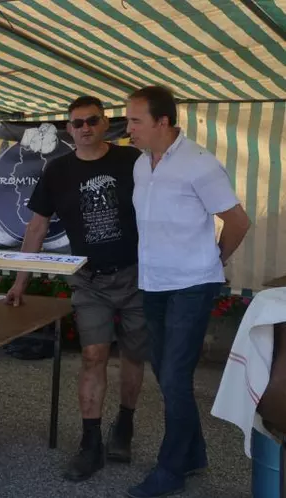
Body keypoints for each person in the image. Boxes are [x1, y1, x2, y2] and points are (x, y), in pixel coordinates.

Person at [6, 96, 147, 482]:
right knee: (92, 356)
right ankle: (90, 444)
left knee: (134, 355)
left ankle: (126, 424)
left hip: (136, 277)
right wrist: (20, 281)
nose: (85, 128)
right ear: (69, 129)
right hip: (88, 279)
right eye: (77, 123)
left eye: (92, 121)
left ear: (105, 125)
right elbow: (36, 228)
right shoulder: (58, 170)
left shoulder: (132, 162)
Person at [125, 86, 250, 498]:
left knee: (175, 377)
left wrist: (214, 261)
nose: (128, 129)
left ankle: (171, 468)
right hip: (155, 282)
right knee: (165, 373)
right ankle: (193, 453)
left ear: (164, 122)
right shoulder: (142, 166)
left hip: (193, 284)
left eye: (135, 121)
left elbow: (238, 222)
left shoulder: (200, 164)